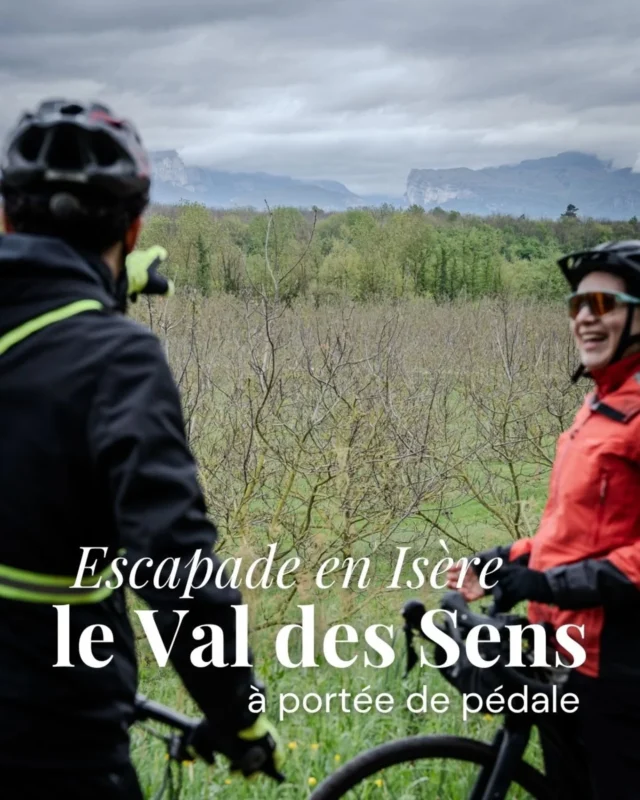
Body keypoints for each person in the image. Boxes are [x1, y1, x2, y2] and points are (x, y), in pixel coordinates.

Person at [0, 99, 283, 799]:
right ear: (133, 227)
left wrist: (103, 284)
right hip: (49, 732)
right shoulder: (117, 361)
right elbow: (178, 569)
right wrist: (238, 718)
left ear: (5, 218)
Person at [447, 241, 640, 799]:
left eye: (603, 302)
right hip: (566, 658)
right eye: (577, 304)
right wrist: (507, 560)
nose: (584, 316)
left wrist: (550, 583)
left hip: (623, 674)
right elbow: (581, 534)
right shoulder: (597, 408)